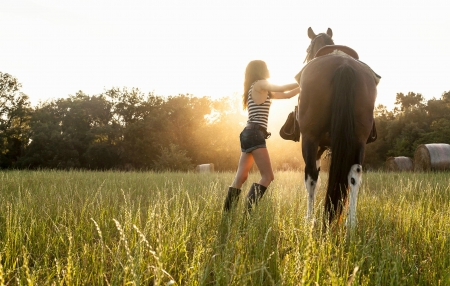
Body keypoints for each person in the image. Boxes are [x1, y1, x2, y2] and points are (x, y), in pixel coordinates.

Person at [223, 60, 300, 212]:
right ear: (260, 70)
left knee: (241, 178)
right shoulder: (260, 84)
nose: (269, 69)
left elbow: (287, 95)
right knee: (268, 176)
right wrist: (301, 80)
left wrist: (303, 86)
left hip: (248, 133)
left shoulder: (259, 89)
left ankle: (227, 215)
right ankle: (247, 213)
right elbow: (283, 87)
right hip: (255, 134)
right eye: (266, 67)